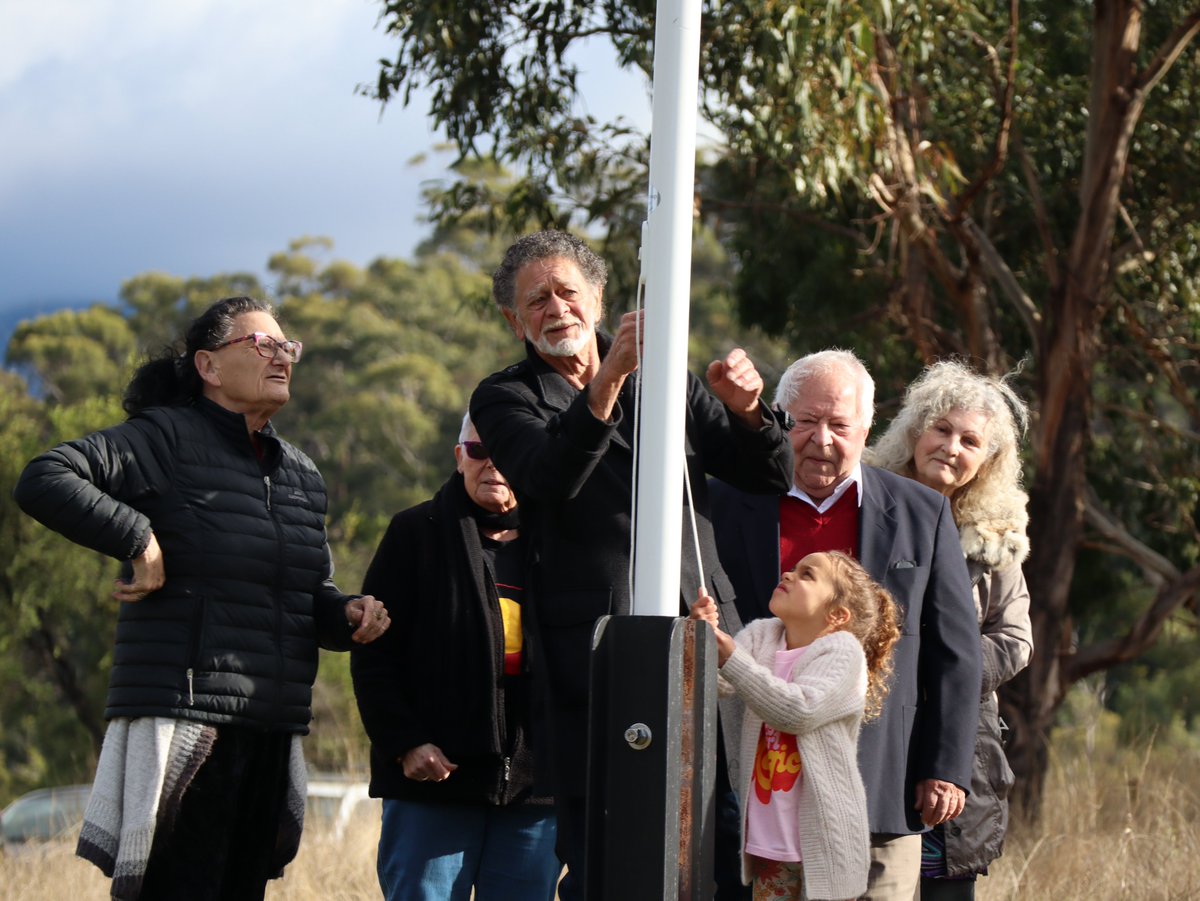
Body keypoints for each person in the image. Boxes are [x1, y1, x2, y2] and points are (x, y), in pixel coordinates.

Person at [13, 296, 391, 901]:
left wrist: (345, 615)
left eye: (287, 346)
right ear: (209, 367)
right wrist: (140, 539)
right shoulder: (166, 436)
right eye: (261, 344)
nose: (282, 356)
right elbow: (45, 477)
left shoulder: (301, 475)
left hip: (270, 726)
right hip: (188, 729)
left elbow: (306, 594)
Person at [468, 229, 794, 898]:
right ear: (513, 319)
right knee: (610, 857)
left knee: (719, 840)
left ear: (598, 297)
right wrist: (608, 378)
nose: (555, 308)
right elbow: (547, 477)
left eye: (567, 291)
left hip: (705, 635)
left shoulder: (669, 379)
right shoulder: (505, 396)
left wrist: (749, 410)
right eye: (536, 300)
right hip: (598, 658)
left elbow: (770, 475)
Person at [709, 349, 981, 901]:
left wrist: (945, 766)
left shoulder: (921, 512)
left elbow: (955, 649)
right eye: (805, 422)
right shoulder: (723, 502)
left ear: (867, 430)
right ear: (778, 419)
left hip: (881, 783)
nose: (822, 440)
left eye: (840, 425)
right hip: (757, 797)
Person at [350, 413, 560, 901]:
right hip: (432, 780)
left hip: (536, 787)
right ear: (458, 456)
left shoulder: (559, 543)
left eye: (506, 451)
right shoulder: (413, 532)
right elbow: (373, 653)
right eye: (478, 450)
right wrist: (405, 743)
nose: (493, 465)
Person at [866, 360, 1033, 900]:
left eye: (970, 440)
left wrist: (938, 672)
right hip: (869, 725)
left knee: (943, 889)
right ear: (916, 430)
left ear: (988, 459)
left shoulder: (996, 534)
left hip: (957, 742)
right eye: (942, 429)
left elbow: (1015, 640)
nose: (951, 448)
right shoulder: (868, 503)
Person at [690, 551, 901, 901]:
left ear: (837, 615)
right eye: (793, 568)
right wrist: (699, 638)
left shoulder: (842, 653)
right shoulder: (762, 635)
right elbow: (713, 685)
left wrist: (731, 659)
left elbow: (799, 711)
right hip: (768, 845)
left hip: (823, 845)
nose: (788, 573)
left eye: (807, 574)